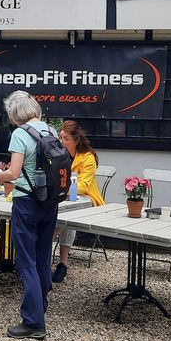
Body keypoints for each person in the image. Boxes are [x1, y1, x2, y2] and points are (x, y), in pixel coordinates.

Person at [0, 90, 58, 340]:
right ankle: (41, 307)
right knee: (41, 257)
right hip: (49, 202)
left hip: (27, 202)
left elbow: (14, 173)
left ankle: (33, 322)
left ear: (14, 113)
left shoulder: (20, 134)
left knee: (25, 261)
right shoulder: (50, 130)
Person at [52, 120, 105, 282]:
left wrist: (61, 191)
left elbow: (82, 186)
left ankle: (50, 238)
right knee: (67, 212)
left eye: (65, 139)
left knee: (69, 210)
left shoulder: (88, 157)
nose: (62, 142)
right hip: (66, 198)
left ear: (76, 140)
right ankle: (63, 264)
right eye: (60, 138)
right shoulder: (59, 155)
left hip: (88, 199)